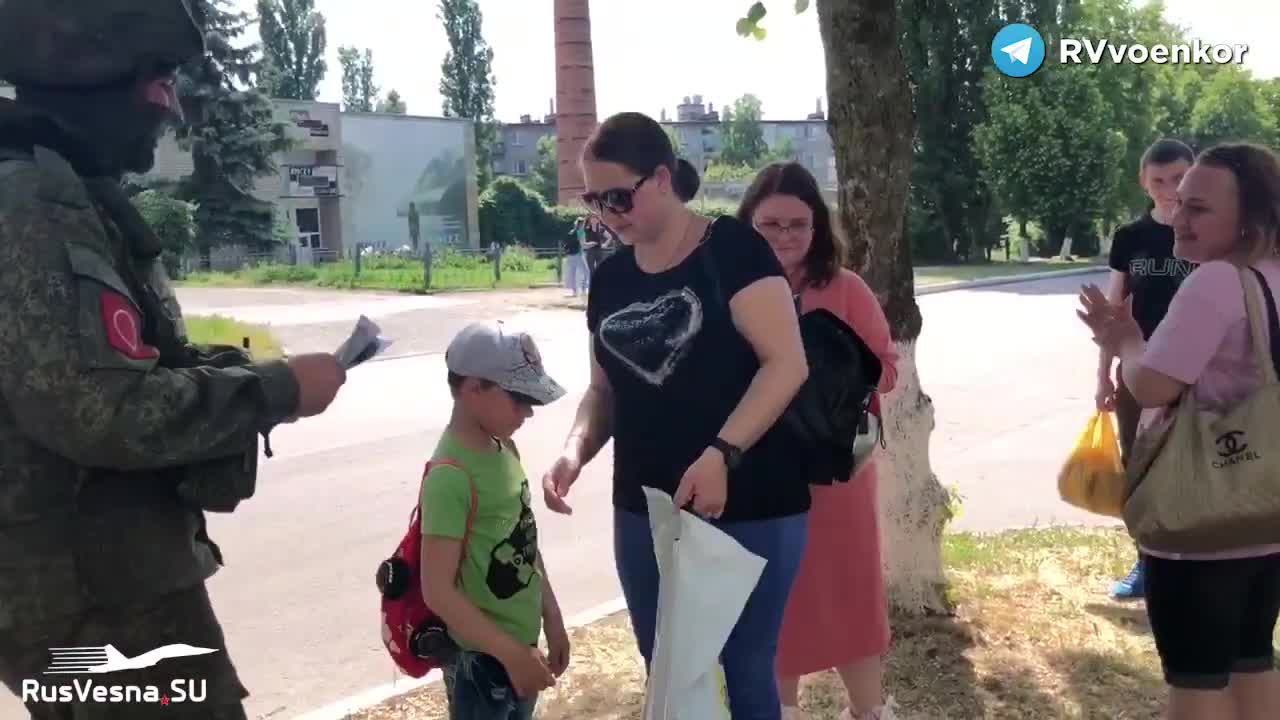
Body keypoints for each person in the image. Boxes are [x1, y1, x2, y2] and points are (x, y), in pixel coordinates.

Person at [0, 2, 348, 719]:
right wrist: (275, 391)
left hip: (103, 588)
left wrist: (235, 373)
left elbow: (128, 360)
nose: (174, 110)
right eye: (161, 82)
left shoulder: (65, 193)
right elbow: (100, 409)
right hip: (92, 602)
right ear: (95, 78)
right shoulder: (30, 202)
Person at [541, 111, 811, 720]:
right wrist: (573, 449)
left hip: (751, 499)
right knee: (666, 667)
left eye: (619, 195)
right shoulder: (608, 279)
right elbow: (602, 391)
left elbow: (787, 364)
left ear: (661, 178)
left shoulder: (734, 250)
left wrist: (722, 454)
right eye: (595, 200)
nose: (609, 213)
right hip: (643, 506)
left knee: (745, 668)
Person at [1077, 142, 1280, 720]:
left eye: (1199, 210)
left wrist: (1124, 342)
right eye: (1179, 202)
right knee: (1251, 660)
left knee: (1196, 682)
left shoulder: (1216, 283)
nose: (1178, 218)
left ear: (1252, 218)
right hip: (1267, 510)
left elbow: (1153, 387)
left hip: (1203, 519)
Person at [737, 163, 900, 720]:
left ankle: (870, 712)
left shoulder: (846, 288)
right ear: (747, 224)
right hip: (757, 478)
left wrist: (840, 374)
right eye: (770, 225)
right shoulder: (725, 289)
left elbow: (888, 366)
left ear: (819, 228)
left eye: (798, 224)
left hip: (835, 485)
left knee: (851, 606)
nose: (784, 236)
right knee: (774, 611)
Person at [421, 321, 570, 719]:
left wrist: (551, 616)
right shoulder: (450, 476)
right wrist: (511, 655)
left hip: (521, 647)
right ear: (473, 389)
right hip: (480, 663)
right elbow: (437, 590)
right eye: (518, 399)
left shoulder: (505, 449)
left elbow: (524, 541)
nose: (527, 412)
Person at [1097, 138, 1197, 601]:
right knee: (1137, 469)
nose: (1169, 189)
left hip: (1196, 376)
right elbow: (1112, 312)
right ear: (1143, 181)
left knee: (1194, 467)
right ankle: (1145, 561)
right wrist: (1102, 377)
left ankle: (1195, 563)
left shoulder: (1206, 234)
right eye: (1158, 180)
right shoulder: (1129, 238)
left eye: (1178, 178)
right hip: (1136, 373)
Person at [563, 218, 590, 296]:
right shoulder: (581, 232)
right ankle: (584, 290)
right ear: (582, 224)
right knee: (586, 272)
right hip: (579, 255)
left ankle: (574, 291)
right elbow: (583, 245)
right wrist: (592, 244)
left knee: (572, 273)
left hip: (570, 255)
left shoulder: (571, 232)